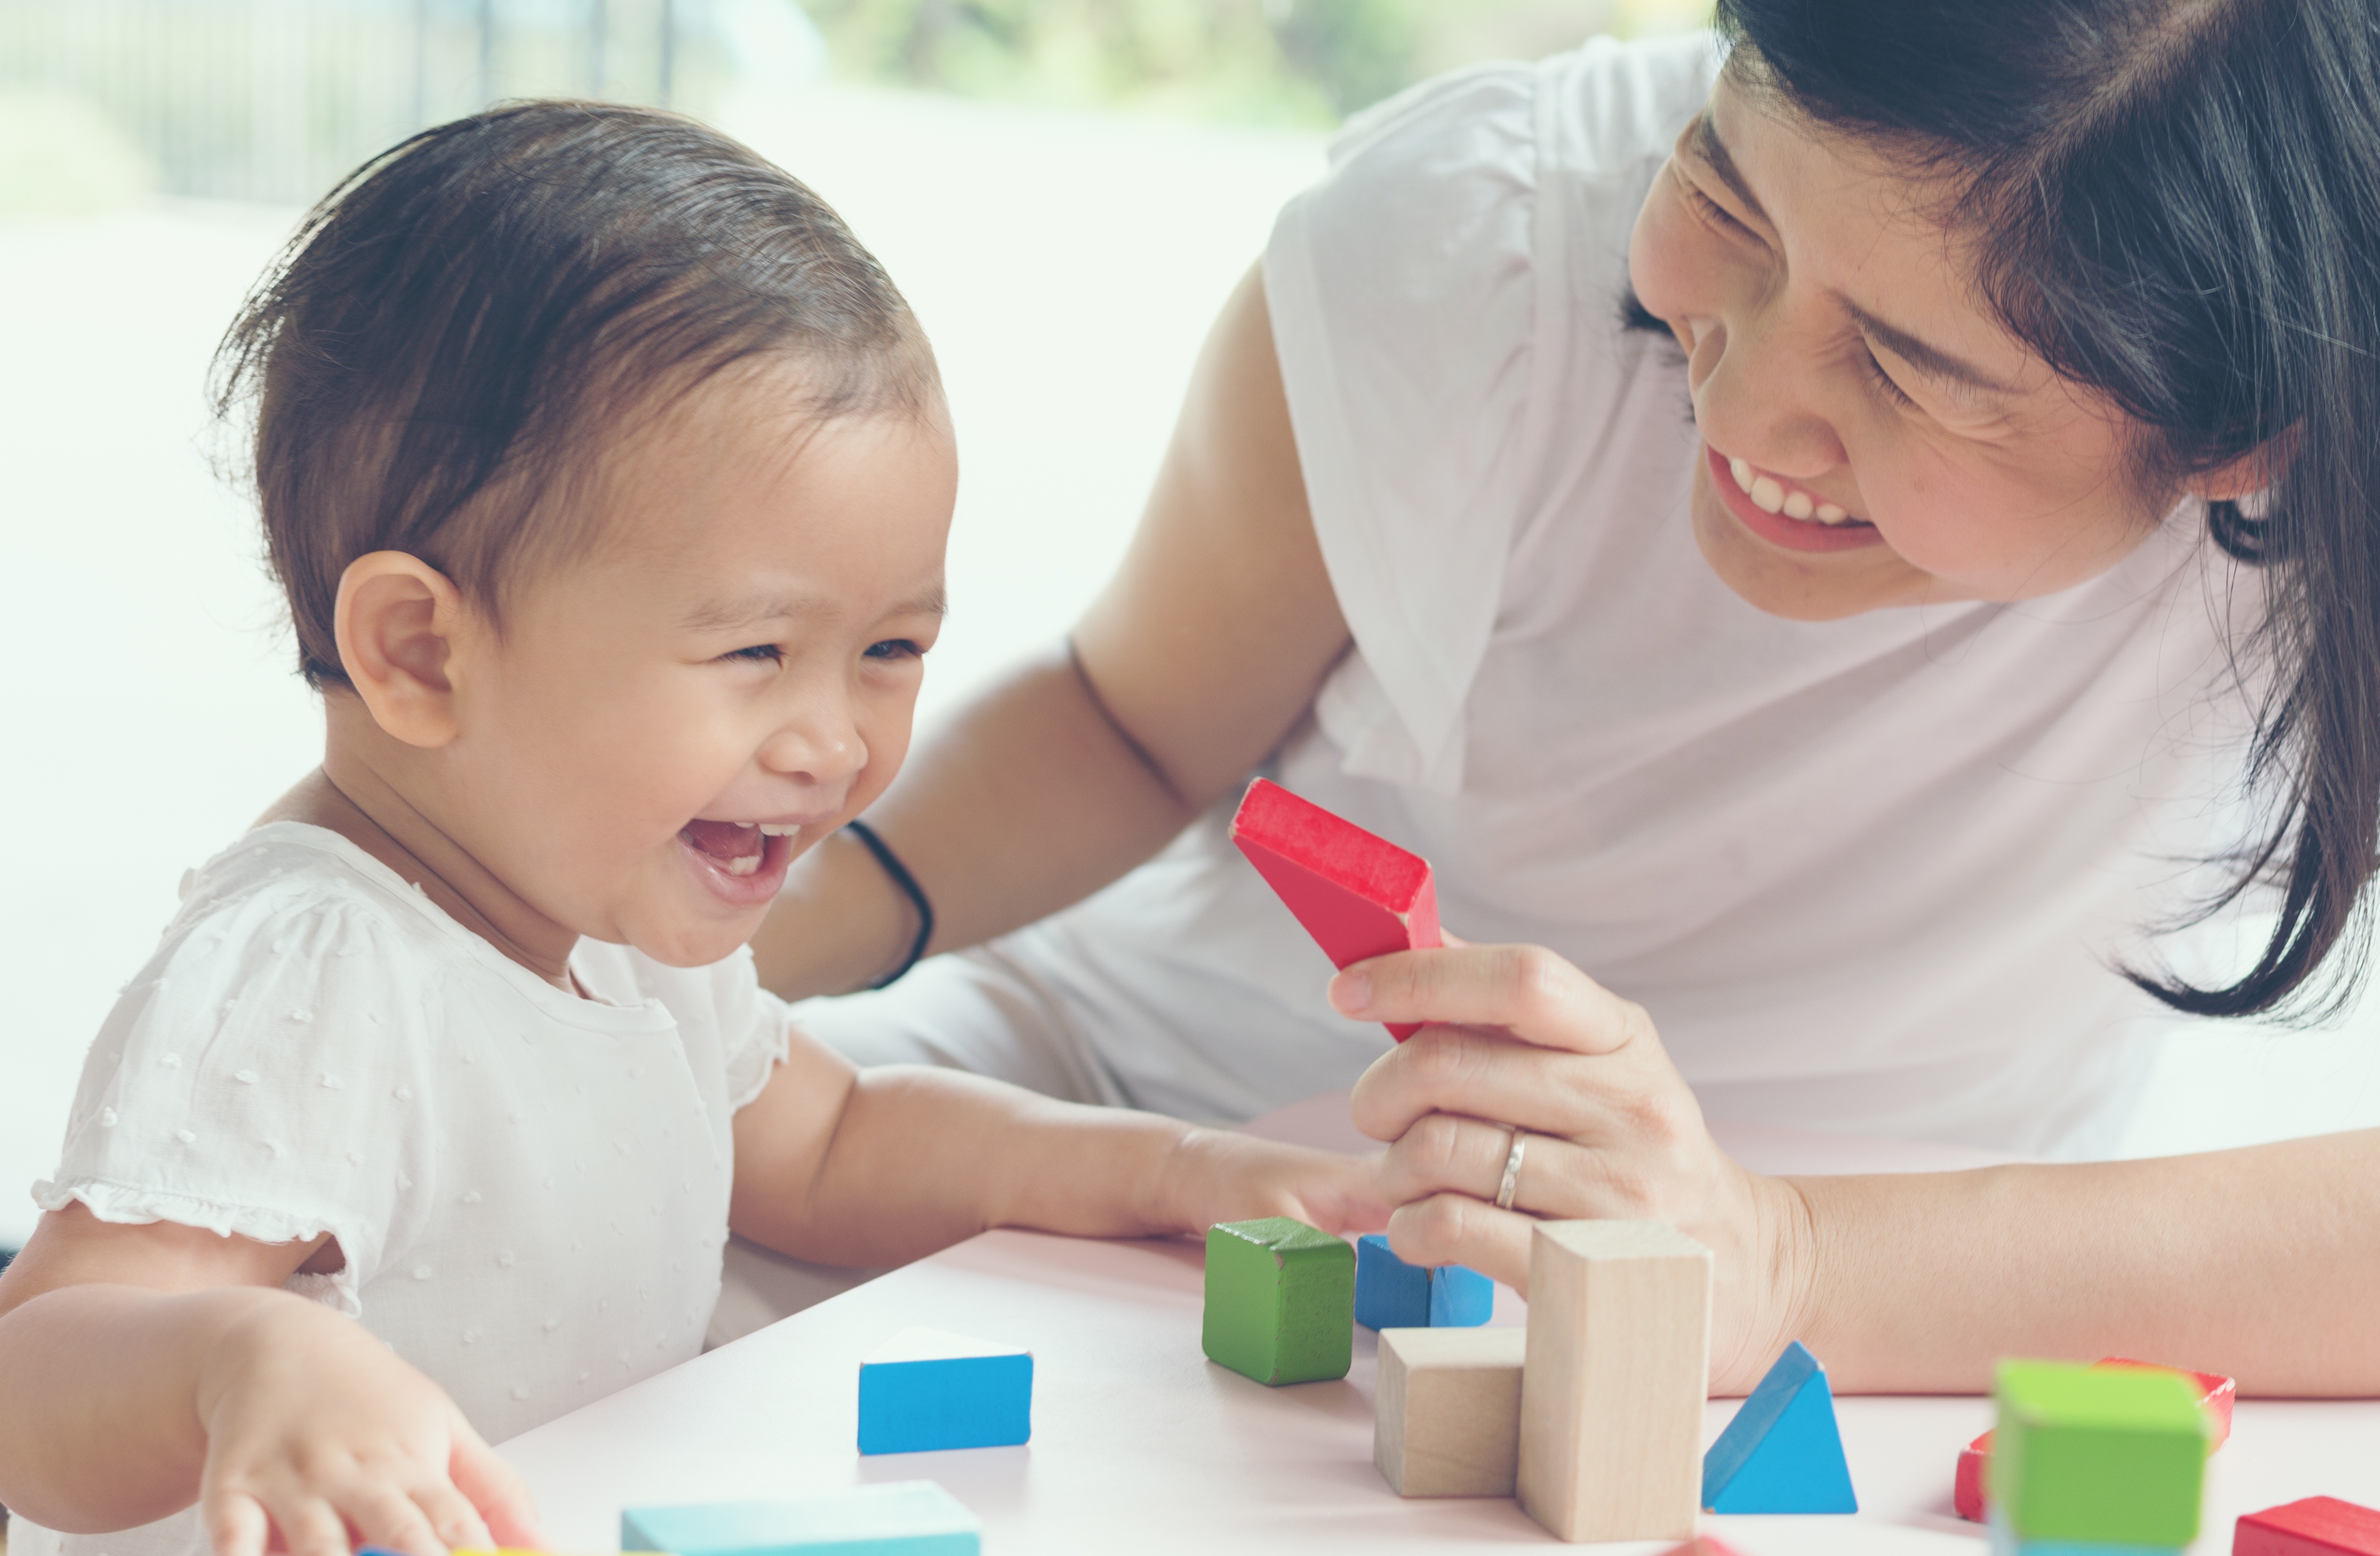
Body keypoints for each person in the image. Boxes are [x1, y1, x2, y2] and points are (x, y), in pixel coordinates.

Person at [759, 0, 2380, 1396]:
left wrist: (1787, 1261)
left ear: (2247, 442)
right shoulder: (1480, 248)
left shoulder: (2333, 442)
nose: (1736, 401)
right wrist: (669, 936)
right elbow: (1126, 727)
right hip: (1141, 1123)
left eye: (1901, 373)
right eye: (1725, 201)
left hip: (1870, 1329)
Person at [0, 102, 1381, 1556]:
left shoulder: (623, 917)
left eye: (891, 652)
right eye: (757, 654)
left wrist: (1162, 1171)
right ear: (421, 653)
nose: (833, 741)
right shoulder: (315, 974)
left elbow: (832, 1144)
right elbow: (20, 1382)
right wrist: (235, 1362)